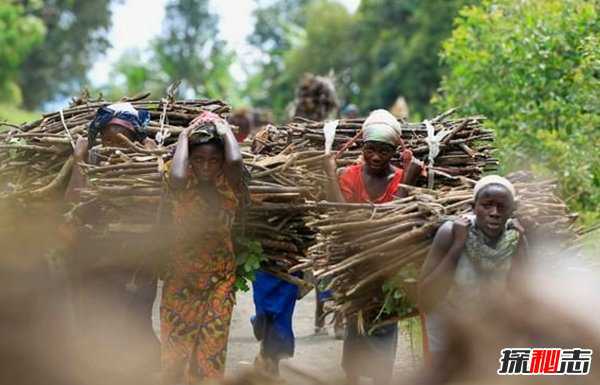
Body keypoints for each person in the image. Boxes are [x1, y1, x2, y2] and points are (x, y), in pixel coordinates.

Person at [62, 102, 160, 385]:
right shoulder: (91, 159)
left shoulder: (147, 161)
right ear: (99, 137)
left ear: (137, 139)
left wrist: (152, 161)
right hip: (99, 263)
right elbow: (73, 206)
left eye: (125, 138)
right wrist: (79, 161)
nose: (115, 145)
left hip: (138, 262)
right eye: (108, 137)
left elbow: (163, 205)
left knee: (137, 321)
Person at [324, 109, 423, 385]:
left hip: (389, 264)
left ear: (394, 152)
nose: (376, 157)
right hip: (354, 264)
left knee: (384, 321)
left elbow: (395, 216)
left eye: (383, 151)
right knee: (356, 324)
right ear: (361, 148)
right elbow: (340, 215)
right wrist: (331, 174)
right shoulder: (351, 175)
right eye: (370, 150)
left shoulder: (403, 176)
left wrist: (409, 178)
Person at [160, 111, 246, 385]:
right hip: (180, 279)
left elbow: (235, 159)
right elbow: (175, 176)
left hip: (218, 280)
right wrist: (184, 136)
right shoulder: (181, 182)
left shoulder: (229, 184)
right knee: (175, 356)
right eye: (198, 159)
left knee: (211, 352)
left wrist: (223, 128)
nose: (206, 166)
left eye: (213, 160)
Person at [418, 175, 527, 365]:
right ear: (474, 206)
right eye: (487, 205)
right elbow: (425, 296)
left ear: (512, 210)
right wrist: (458, 245)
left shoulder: (515, 239)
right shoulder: (451, 232)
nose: (495, 213)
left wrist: (517, 246)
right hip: (448, 329)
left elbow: (523, 296)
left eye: (502, 207)